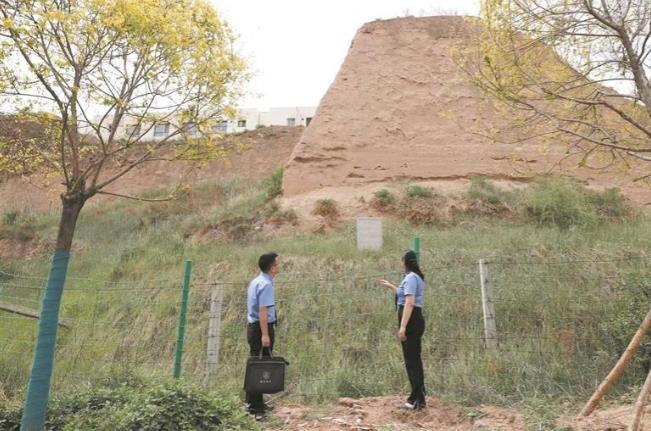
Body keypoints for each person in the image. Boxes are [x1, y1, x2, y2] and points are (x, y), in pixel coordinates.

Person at [378, 250, 427, 410]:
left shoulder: (411, 278)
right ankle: (419, 398)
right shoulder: (413, 277)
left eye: (401, 260)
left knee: (412, 362)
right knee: (413, 360)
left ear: (404, 262)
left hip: (411, 322)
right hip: (414, 320)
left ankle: (415, 400)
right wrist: (392, 286)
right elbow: (403, 294)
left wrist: (403, 327)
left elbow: (409, 303)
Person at [245, 252, 280, 418]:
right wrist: (265, 335)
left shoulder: (256, 281)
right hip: (261, 328)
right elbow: (263, 311)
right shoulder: (266, 285)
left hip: (254, 326)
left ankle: (254, 402)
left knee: (257, 364)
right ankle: (255, 408)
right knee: (259, 367)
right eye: (277, 264)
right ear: (272, 268)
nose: (279, 266)